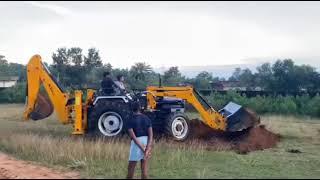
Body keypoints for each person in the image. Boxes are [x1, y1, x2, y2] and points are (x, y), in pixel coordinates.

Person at [127, 101, 153, 179]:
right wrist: (147, 148)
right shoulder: (147, 118)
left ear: (132, 109)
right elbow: (151, 135)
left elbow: (134, 138)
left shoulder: (130, 119)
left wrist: (143, 149)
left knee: (131, 168)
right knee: (144, 169)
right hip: (146, 141)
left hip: (137, 144)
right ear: (140, 108)